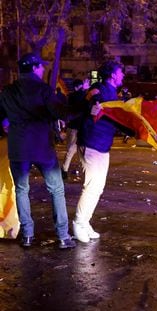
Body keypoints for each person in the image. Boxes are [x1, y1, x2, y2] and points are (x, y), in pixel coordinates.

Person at [0, 52, 76, 249]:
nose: (43, 69)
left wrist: (7, 122)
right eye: (41, 66)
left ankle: (27, 235)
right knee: (56, 189)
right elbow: (60, 112)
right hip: (42, 147)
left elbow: (1, 116)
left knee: (22, 190)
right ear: (34, 68)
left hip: (18, 147)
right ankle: (62, 236)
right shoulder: (43, 89)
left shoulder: (8, 91)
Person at [73, 60, 131, 243]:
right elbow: (92, 103)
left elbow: (116, 118)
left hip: (101, 143)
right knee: (92, 186)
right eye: (120, 72)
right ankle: (78, 222)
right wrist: (93, 103)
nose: (122, 75)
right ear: (113, 74)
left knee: (97, 187)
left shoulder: (112, 92)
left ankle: (85, 221)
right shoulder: (100, 89)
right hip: (92, 142)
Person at [61, 78, 90, 179]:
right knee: (81, 151)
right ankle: (85, 171)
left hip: (74, 126)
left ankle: (64, 170)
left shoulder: (72, 96)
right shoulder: (81, 95)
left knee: (71, 150)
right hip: (80, 126)